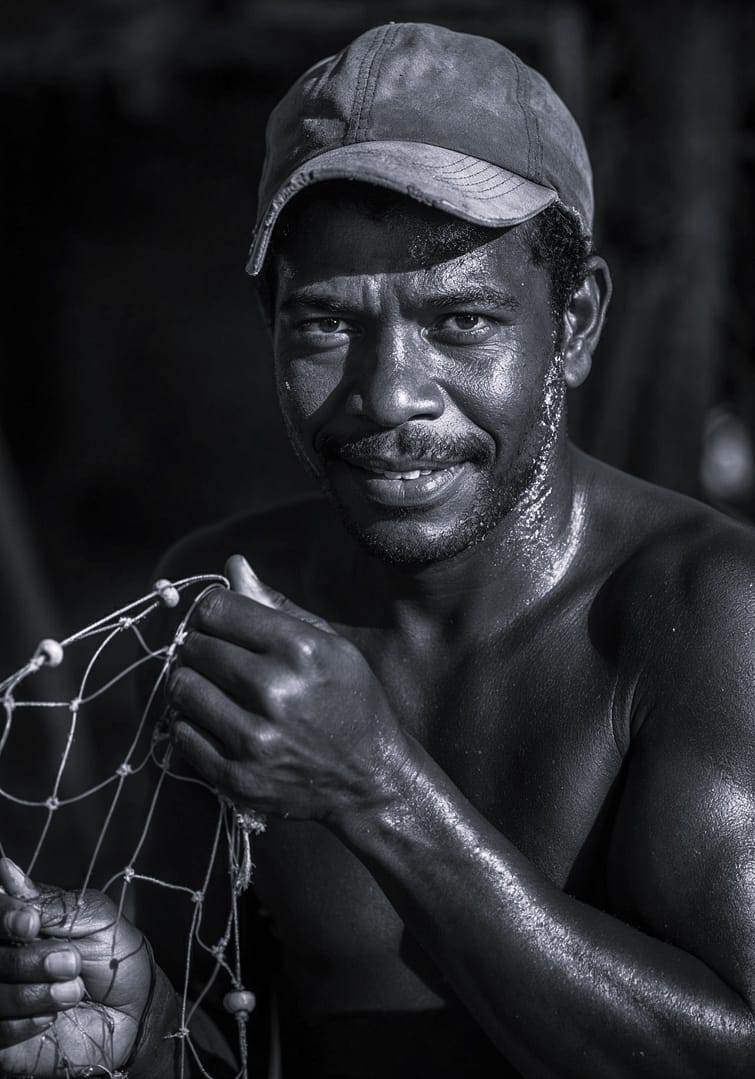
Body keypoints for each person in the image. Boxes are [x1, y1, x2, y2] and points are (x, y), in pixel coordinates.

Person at [1, 20, 754, 1078]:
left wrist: (377, 786)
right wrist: (138, 1020)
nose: (387, 393)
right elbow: (236, 1045)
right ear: (267, 326)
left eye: (459, 323)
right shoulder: (228, 614)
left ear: (572, 324)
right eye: (324, 325)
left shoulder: (705, 615)